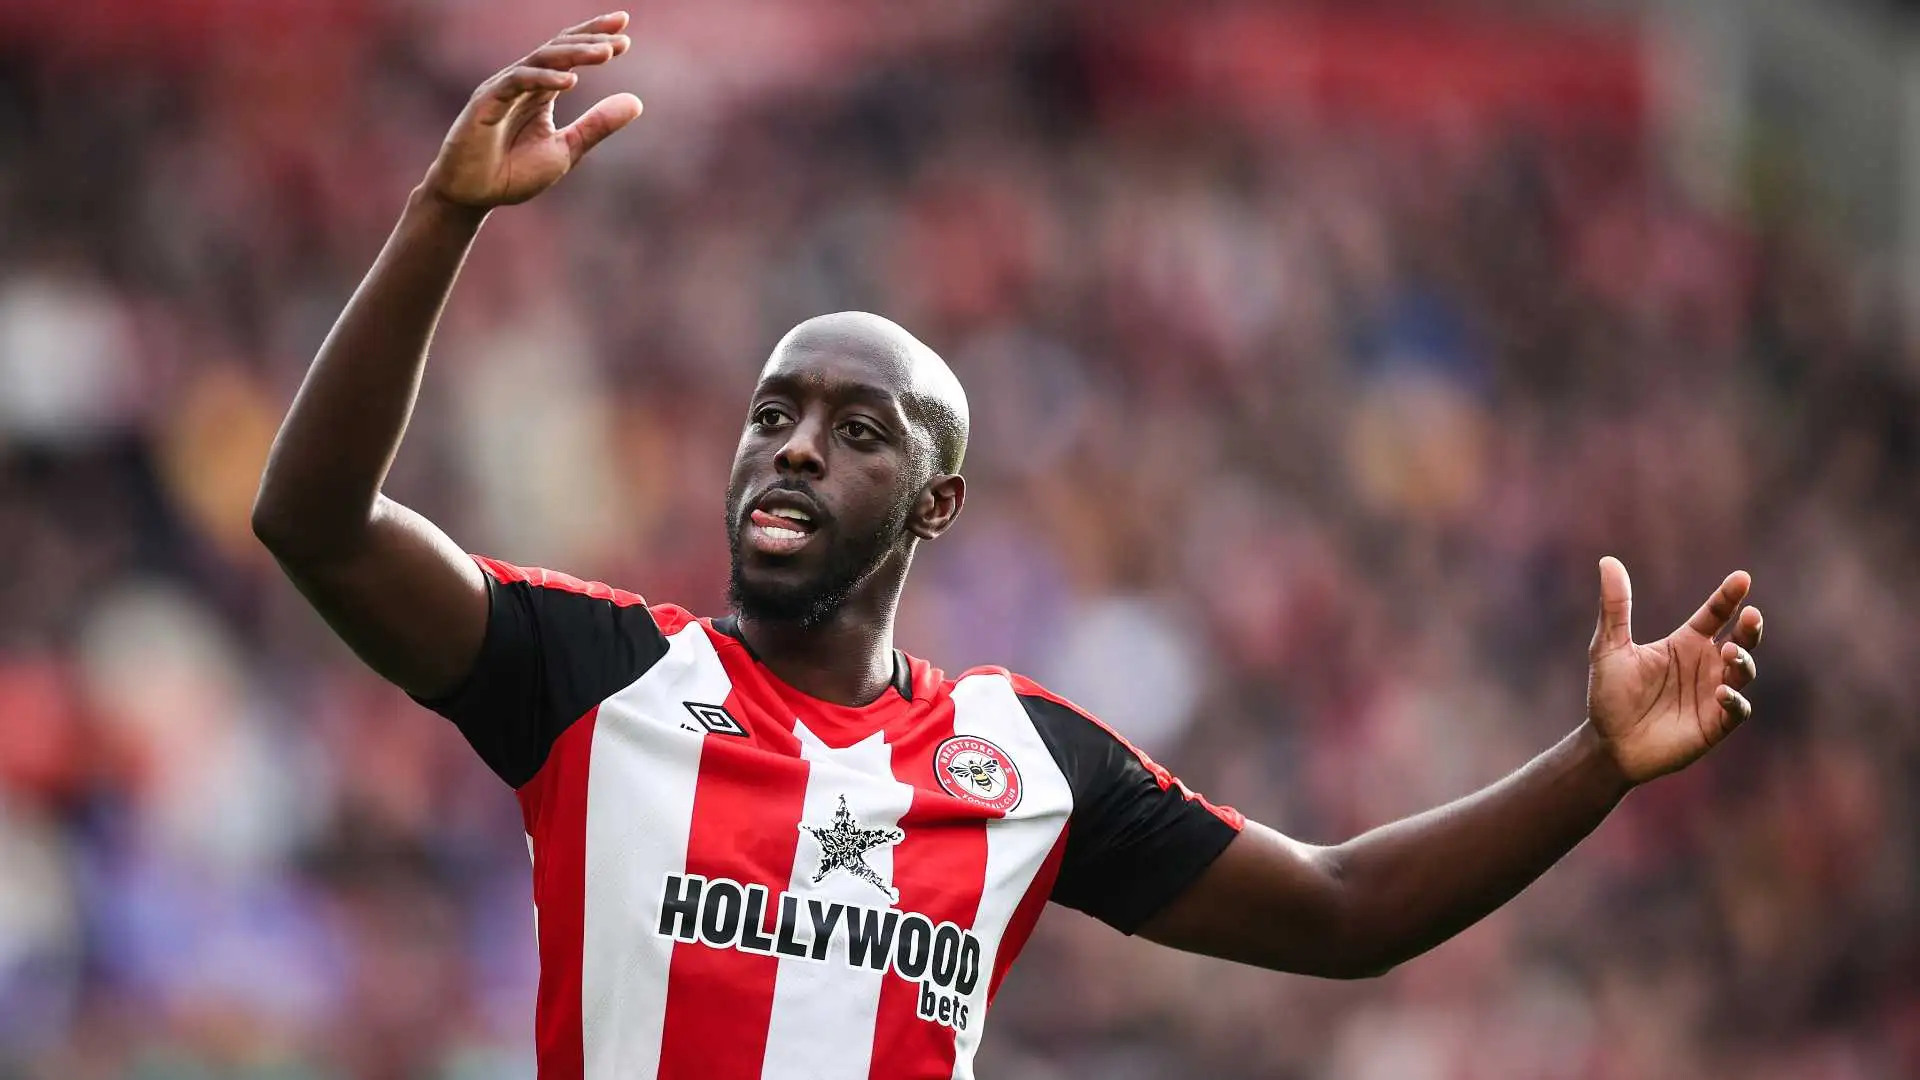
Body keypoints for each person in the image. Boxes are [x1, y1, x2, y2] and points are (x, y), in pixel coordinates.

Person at [251, 12, 1767, 1079]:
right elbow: (313, 525)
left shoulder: (1024, 764)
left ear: (938, 504)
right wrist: (442, 214)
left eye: (857, 429)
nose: (794, 445)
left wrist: (1594, 765)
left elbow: (1345, 912)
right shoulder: (598, 678)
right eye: (773, 413)